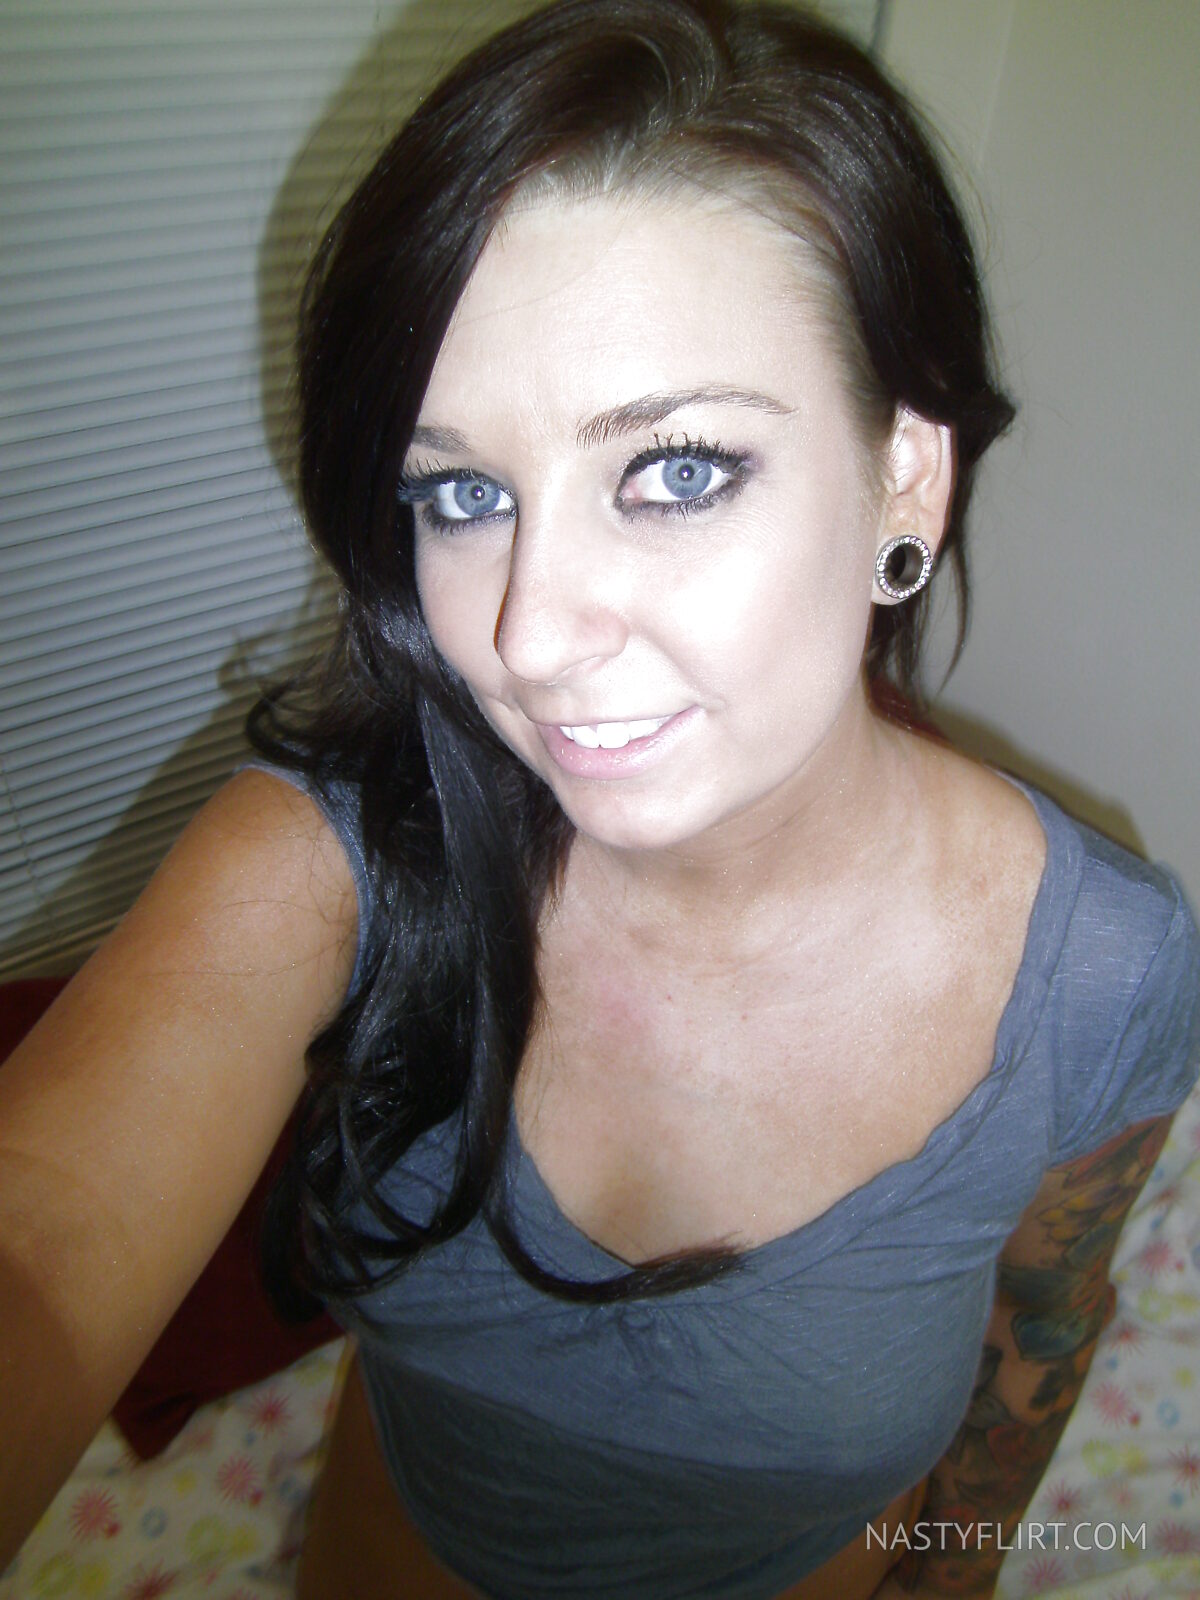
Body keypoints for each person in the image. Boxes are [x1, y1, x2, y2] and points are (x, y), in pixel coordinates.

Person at [2, 1, 1198, 1596]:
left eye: (677, 470)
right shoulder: (336, 861)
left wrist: (955, 1577)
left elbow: (1043, 1334)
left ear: (906, 474)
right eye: (463, 491)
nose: (528, 634)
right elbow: (42, 1241)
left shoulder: (1105, 971)